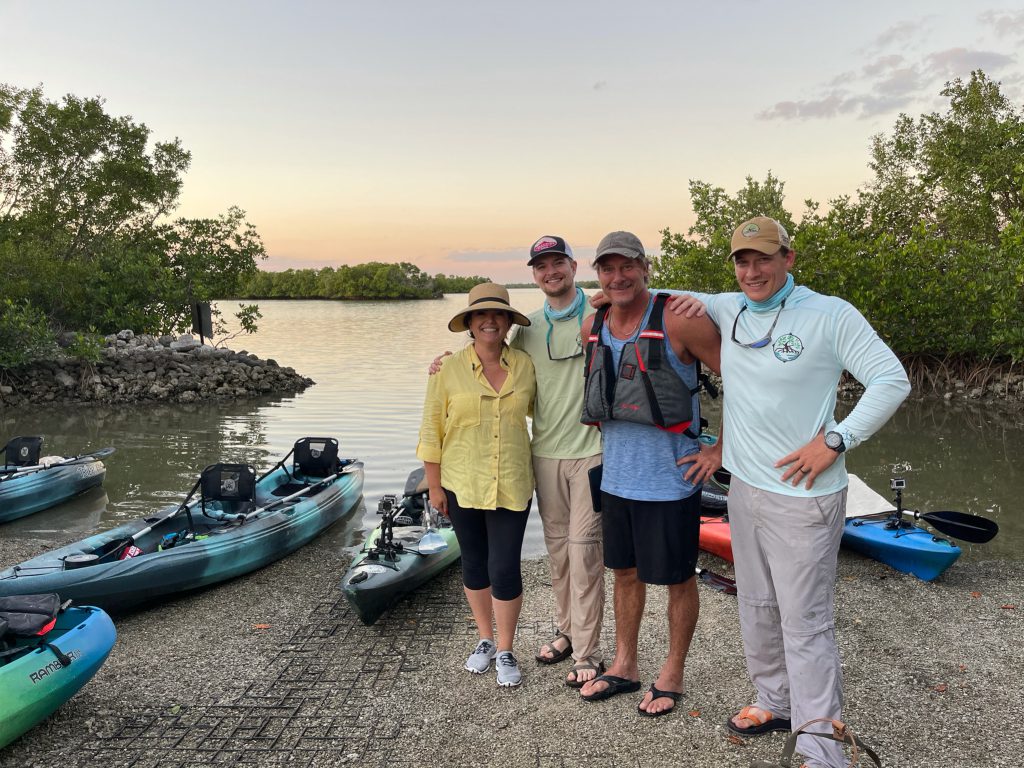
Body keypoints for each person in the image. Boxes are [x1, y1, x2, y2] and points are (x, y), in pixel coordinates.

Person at [676, 217, 910, 767]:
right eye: (741, 260)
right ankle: (775, 700)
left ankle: (821, 746)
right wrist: (598, 305)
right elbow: (656, 295)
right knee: (756, 605)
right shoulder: (728, 307)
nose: (752, 270)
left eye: (764, 257)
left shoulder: (830, 314)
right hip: (745, 489)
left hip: (805, 497)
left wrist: (835, 439)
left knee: (805, 621)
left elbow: (892, 379)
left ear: (789, 257)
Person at [576, 231, 721, 717]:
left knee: (679, 578)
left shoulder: (681, 319)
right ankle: (624, 664)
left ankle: (673, 672)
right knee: (625, 574)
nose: (618, 277)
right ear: (597, 274)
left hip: (672, 481)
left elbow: (745, 381)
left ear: (645, 267)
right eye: (607, 268)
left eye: (627, 266)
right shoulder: (591, 325)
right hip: (617, 479)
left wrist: (721, 449)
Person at [416, 282, 537, 688]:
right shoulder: (447, 370)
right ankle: (484, 639)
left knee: (504, 567)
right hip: (460, 483)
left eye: (498, 314)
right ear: (469, 323)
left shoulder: (525, 364)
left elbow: (548, 409)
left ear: (507, 322)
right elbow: (431, 431)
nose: (490, 321)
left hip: (512, 482)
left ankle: (505, 647)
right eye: (481, 315)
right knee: (473, 563)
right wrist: (434, 488)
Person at [512, 236, 605, 688]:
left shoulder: (603, 312)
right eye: (541, 266)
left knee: (586, 553)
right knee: (558, 552)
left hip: (592, 451)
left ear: (572, 265)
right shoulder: (526, 329)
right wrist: (446, 364)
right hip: (544, 451)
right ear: (534, 274)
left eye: (557, 262)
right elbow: (495, 367)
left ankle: (588, 651)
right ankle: (566, 631)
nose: (551, 271)